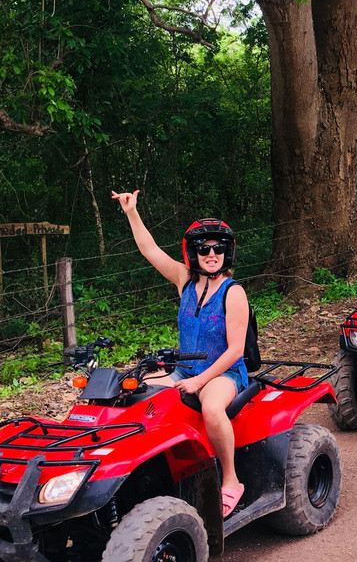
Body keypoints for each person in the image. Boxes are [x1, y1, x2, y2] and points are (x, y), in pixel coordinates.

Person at [112, 190, 249, 518]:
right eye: (204, 249)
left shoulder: (233, 292)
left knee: (212, 408)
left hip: (224, 372)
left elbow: (235, 350)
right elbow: (150, 251)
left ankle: (231, 480)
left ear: (226, 253)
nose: (211, 254)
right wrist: (131, 212)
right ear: (194, 253)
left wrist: (201, 380)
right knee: (130, 389)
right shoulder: (184, 281)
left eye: (217, 248)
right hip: (185, 369)